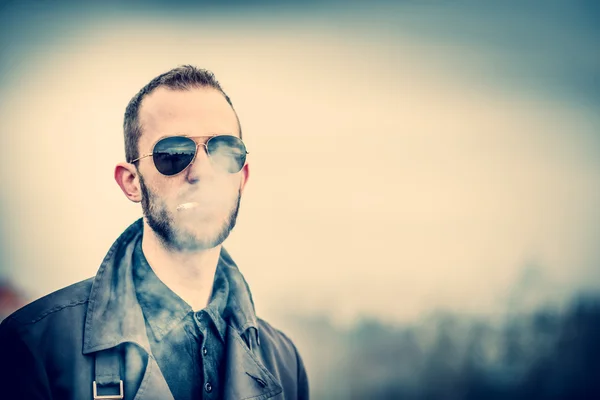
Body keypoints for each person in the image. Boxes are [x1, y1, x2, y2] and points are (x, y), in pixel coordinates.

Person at [0, 65, 309, 400]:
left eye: (223, 151)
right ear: (131, 182)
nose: (202, 172)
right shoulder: (35, 347)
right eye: (173, 154)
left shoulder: (284, 362)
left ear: (242, 179)